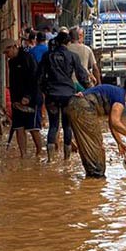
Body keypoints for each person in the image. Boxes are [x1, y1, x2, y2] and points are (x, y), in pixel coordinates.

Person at [65, 82, 126, 178]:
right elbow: (115, 122)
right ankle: (96, 179)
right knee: (95, 146)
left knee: (88, 145)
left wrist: (119, 142)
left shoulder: (117, 93)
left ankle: (91, 178)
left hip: (75, 105)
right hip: (83, 108)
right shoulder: (120, 100)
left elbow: (112, 124)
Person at [38, 31, 91, 162]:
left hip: (52, 95)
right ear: (68, 43)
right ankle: (66, 160)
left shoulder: (47, 55)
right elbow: (81, 75)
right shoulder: (73, 56)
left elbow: (39, 77)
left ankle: (50, 160)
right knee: (67, 126)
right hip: (68, 95)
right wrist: (89, 89)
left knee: (53, 125)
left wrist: (45, 90)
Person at [2, 38, 43, 158]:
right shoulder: (11, 62)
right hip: (17, 100)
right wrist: (14, 100)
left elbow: (34, 79)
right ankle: (23, 155)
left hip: (32, 98)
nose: (7, 55)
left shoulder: (27, 58)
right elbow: (13, 82)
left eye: (7, 52)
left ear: (14, 47)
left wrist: (28, 97)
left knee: (33, 127)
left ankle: (39, 153)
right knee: (19, 127)